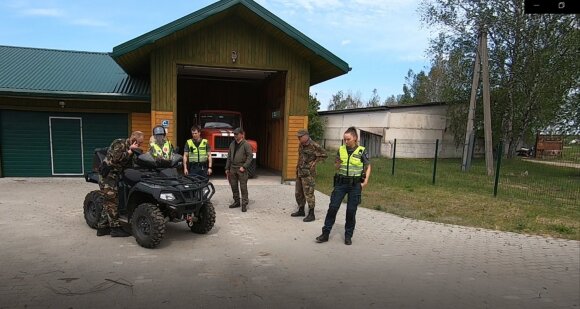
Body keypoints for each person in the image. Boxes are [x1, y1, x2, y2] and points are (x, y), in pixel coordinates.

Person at [316, 127, 371, 245]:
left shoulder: (361, 150)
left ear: (355, 138)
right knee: (333, 208)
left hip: (355, 185)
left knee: (351, 211)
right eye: (344, 139)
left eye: (348, 139)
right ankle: (325, 234)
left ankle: (348, 236)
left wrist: (365, 181)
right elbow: (336, 166)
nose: (346, 141)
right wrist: (337, 163)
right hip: (341, 183)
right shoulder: (341, 149)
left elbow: (368, 166)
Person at [97, 130, 145, 237]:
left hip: (115, 176)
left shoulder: (132, 149)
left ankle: (101, 227)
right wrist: (129, 152)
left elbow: (132, 163)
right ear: (134, 140)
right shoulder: (120, 143)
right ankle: (115, 228)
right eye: (140, 142)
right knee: (112, 202)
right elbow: (115, 159)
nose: (141, 144)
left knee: (108, 202)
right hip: (107, 176)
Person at [291, 129, 327, 222]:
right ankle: (301, 210)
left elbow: (324, 154)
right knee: (298, 192)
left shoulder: (314, 145)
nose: (299, 138)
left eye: (300, 136)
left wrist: (314, 163)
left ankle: (311, 214)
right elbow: (300, 157)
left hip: (308, 174)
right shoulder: (301, 145)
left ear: (306, 136)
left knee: (309, 193)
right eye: (298, 137)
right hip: (300, 171)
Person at [225, 127, 253, 212]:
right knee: (234, 186)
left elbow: (250, 156)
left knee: (243, 187)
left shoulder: (246, 144)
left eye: (237, 134)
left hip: (241, 168)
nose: (235, 136)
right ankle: (236, 201)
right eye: (234, 134)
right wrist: (227, 168)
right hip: (233, 168)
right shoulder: (232, 144)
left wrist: (244, 166)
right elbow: (229, 157)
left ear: (242, 134)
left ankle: (244, 203)